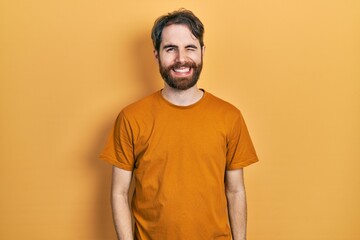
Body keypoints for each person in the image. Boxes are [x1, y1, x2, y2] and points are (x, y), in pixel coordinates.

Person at [100, 9, 258, 240]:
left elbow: (235, 190)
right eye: (170, 49)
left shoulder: (229, 116)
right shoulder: (131, 118)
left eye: (190, 48)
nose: (181, 59)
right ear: (156, 55)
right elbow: (119, 193)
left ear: (203, 52)